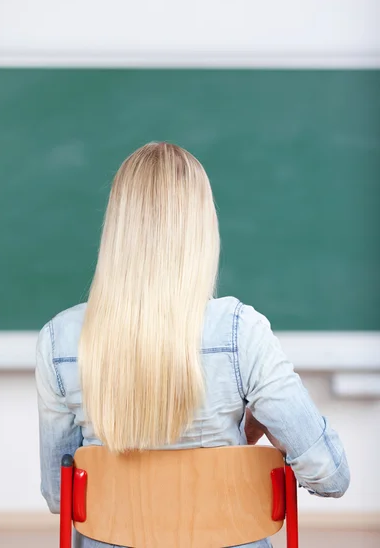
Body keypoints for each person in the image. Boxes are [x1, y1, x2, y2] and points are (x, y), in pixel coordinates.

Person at [36, 142, 350, 548]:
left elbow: (61, 497)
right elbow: (330, 477)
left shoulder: (58, 340)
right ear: (202, 227)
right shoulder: (241, 332)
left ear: (116, 228)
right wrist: (265, 427)